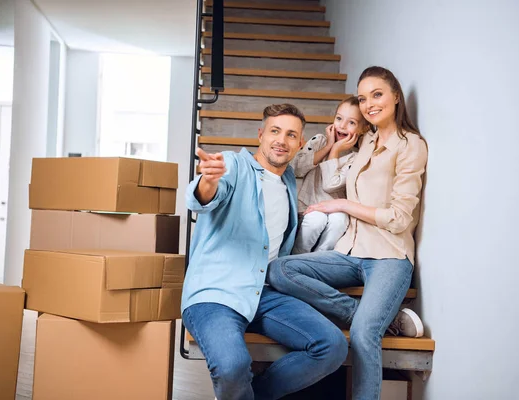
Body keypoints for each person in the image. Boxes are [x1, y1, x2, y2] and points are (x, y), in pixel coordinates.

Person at [267, 67, 428, 400]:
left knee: (364, 333)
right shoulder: (365, 141)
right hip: (349, 251)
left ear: (396, 96)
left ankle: (371, 320)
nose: (369, 103)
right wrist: (335, 151)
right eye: (363, 97)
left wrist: (341, 207)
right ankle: (389, 318)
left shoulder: (410, 146)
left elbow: (399, 218)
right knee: (280, 269)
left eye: (377, 94)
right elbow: (334, 185)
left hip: (389, 256)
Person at [181, 104, 348, 400]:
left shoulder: (287, 181)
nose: (281, 140)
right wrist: (208, 180)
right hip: (216, 293)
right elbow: (202, 198)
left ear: (300, 143)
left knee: (332, 346)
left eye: (290, 135)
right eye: (274, 131)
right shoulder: (233, 165)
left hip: (264, 293)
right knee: (232, 367)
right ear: (260, 134)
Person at [290, 96, 369, 254]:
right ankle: (298, 255)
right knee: (315, 220)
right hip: (308, 208)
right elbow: (297, 168)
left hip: (335, 210)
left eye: (351, 122)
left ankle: (320, 258)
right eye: (339, 118)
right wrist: (328, 147)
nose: (343, 126)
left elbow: (330, 184)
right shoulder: (319, 141)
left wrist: (336, 151)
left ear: (363, 129)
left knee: (340, 220)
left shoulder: (357, 157)